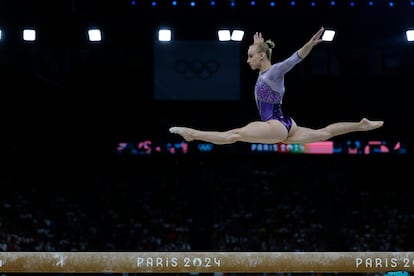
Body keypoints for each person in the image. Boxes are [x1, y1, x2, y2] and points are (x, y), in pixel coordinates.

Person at [169, 27, 384, 145]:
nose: (247, 60)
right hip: (287, 123)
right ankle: (360, 125)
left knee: (232, 136)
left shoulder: (274, 71)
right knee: (324, 133)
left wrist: (308, 45)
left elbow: (294, 59)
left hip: (275, 125)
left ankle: (191, 133)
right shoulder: (266, 72)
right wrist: (258, 43)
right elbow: (269, 56)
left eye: (250, 55)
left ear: (262, 56)